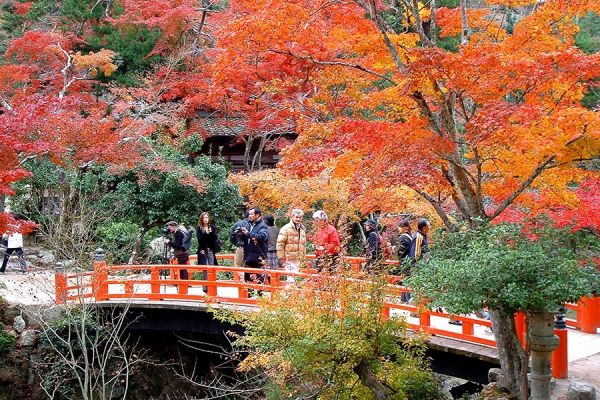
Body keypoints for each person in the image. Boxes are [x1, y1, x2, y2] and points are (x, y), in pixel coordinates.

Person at [239, 207, 269, 283]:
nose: (249, 216)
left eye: (251, 214)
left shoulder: (263, 226)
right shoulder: (250, 225)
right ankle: (249, 295)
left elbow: (262, 237)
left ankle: (259, 294)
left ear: (257, 215)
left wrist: (248, 233)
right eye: (249, 214)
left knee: (259, 282)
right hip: (249, 256)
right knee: (248, 281)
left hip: (258, 258)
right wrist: (242, 235)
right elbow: (248, 239)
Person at [276, 209, 306, 282]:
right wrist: (281, 257)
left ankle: (293, 293)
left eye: (300, 217)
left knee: (297, 277)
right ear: (292, 216)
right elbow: (280, 244)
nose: (298, 219)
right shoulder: (286, 228)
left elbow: (303, 245)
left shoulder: (302, 230)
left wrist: (303, 257)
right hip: (289, 258)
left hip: (298, 258)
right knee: (291, 278)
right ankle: (289, 292)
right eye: (297, 217)